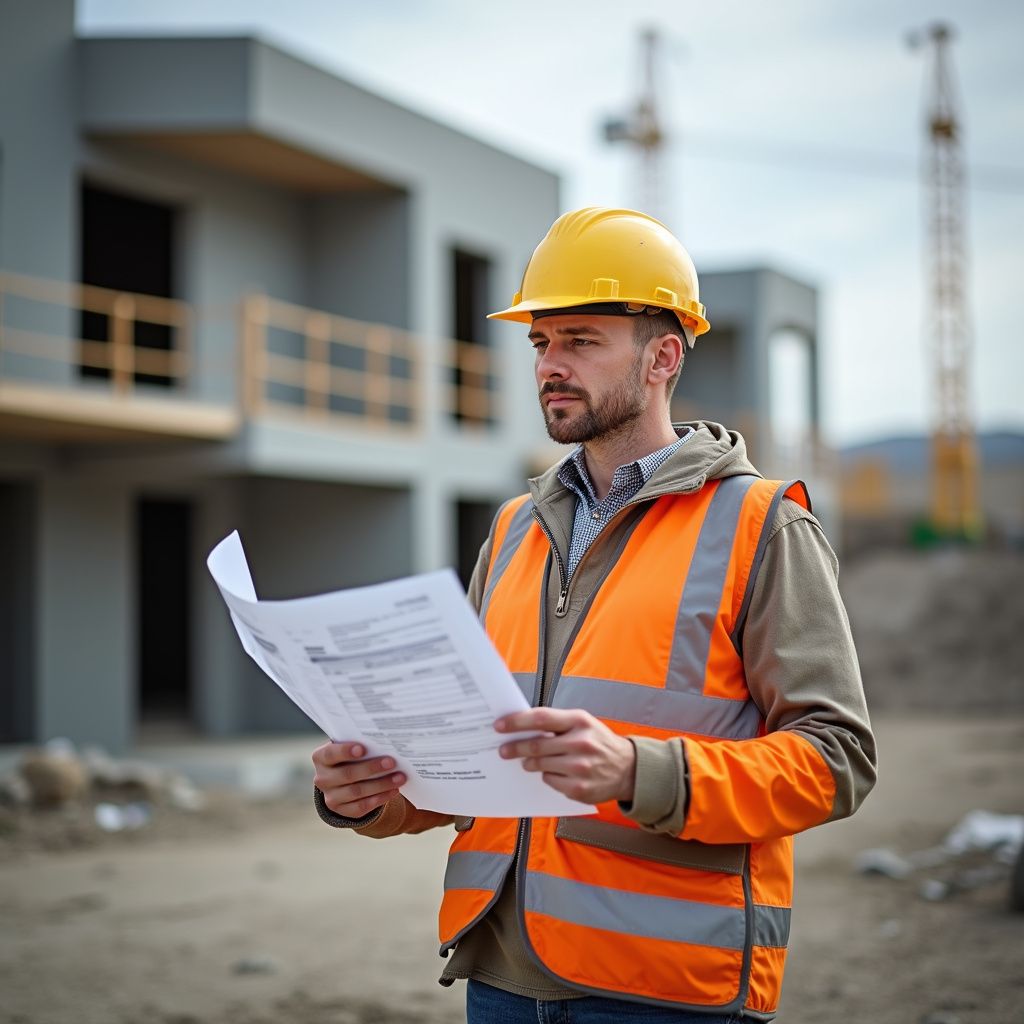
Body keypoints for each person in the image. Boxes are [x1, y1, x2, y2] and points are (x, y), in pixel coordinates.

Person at [312, 207, 876, 1023]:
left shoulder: (759, 525)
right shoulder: (513, 531)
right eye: (541, 342)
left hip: (665, 987)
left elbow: (839, 758)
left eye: (581, 340)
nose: (550, 364)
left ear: (663, 357)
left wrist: (638, 773)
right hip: (501, 972)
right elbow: (476, 762)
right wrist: (375, 795)